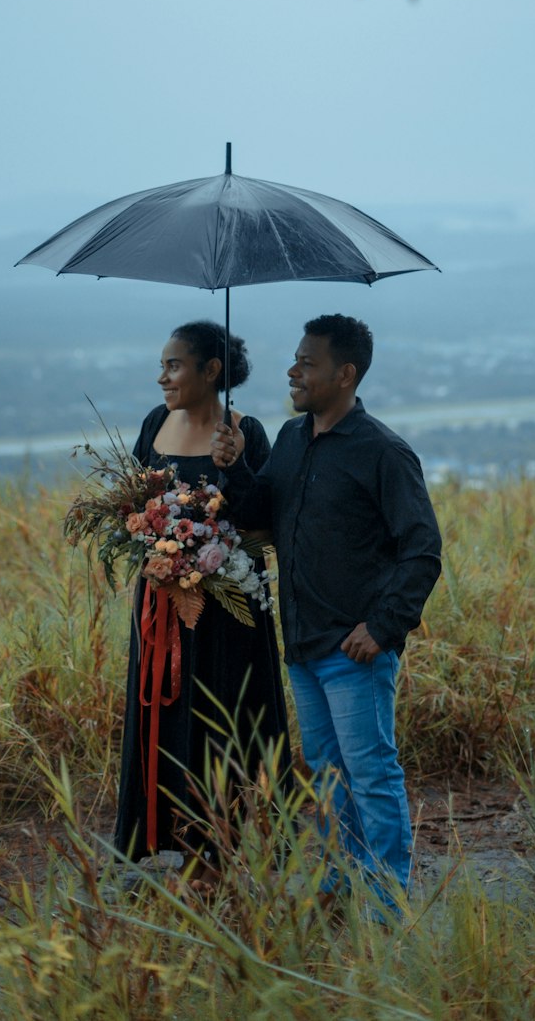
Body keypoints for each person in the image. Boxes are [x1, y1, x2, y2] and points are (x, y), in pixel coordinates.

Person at [211, 313, 441, 908]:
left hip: (353, 647)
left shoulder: (383, 452)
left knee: (371, 775)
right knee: (331, 777)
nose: (293, 370)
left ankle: (388, 903)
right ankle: (344, 884)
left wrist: (383, 626)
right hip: (303, 643)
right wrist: (235, 467)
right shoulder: (292, 439)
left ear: (345, 374)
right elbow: (263, 507)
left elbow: (422, 551)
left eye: (307, 362)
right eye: (295, 358)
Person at [113, 320, 290, 860]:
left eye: (174, 365)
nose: (162, 377)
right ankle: (162, 835)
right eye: (162, 365)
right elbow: (131, 506)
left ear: (211, 371)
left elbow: (263, 520)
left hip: (229, 609)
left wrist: (235, 466)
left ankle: (233, 839)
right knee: (162, 707)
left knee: (226, 713)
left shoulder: (246, 430)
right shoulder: (154, 423)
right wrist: (152, 539)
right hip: (164, 603)